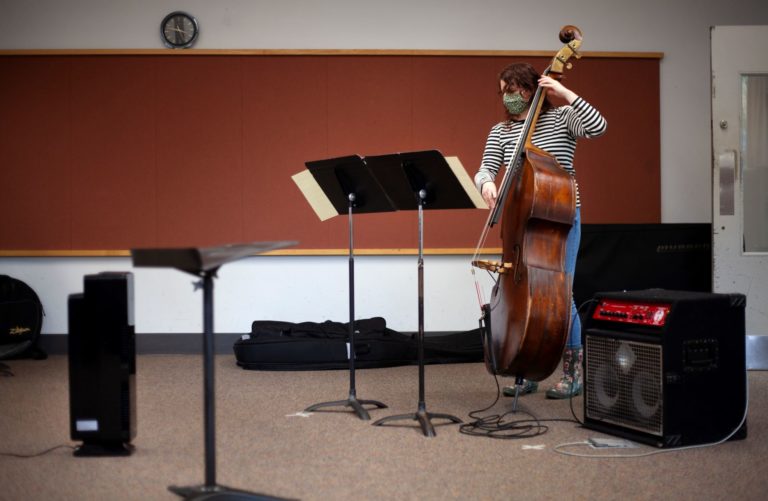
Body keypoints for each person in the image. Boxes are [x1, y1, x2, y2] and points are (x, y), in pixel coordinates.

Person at [474, 62, 607, 399]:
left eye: (515, 89)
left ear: (532, 90)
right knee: (522, 296)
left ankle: (573, 374)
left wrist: (565, 94)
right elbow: (485, 169)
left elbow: (598, 127)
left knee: (560, 295)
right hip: (520, 221)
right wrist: (487, 183)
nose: (508, 97)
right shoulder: (500, 131)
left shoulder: (561, 118)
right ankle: (526, 367)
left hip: (560, 216)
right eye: (503, 90)